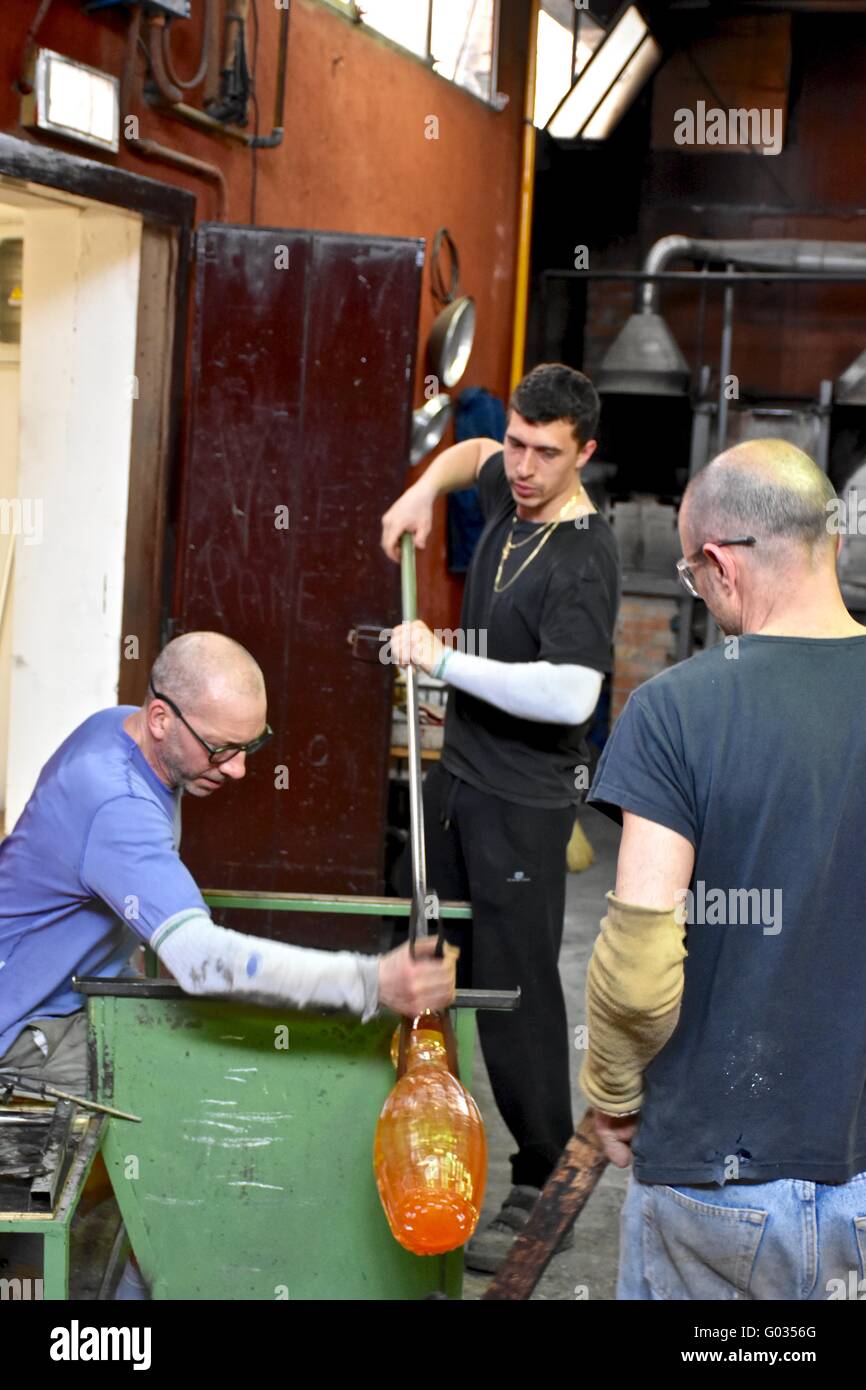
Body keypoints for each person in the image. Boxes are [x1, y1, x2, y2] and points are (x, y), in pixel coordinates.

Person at [0, 632, 457, 1295]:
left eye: (252, 746)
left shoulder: (114, 728)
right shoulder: (115, 801)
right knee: (192, 1122)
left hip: (71, 999)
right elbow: (203, 962)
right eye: (222, 749)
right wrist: (368, 981)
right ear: (160, 719)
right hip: (24, 1030)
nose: (240, 769)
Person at [582, 438, 866, 1300]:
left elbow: (637, 972)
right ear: (835, 546)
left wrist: (612, 1091)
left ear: (719, 565)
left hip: (717, 1182)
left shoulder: (677, 709)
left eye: (691, 574)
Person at [381, 363, 620, 1271]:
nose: (520, 466)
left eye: (545, 454)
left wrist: (441, 659)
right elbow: (470, 453)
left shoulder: (584, 556)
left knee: (515, 992)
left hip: (526, 802)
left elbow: (570, 695)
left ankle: (541, 1171)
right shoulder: (506, 475)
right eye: (519, 443)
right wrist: (415, 495)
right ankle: (430, 1131)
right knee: (432, 960)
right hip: (459, 782)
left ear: (584, 454)